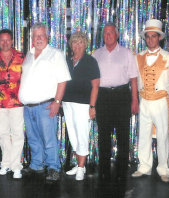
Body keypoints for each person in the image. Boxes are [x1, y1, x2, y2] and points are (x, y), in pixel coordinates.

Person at [131, 19, 169, 182]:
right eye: (148, 37)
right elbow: (136, 79)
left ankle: (163, 169)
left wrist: (166, 91)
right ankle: (144, 166)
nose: (150, 40)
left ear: (159, 38)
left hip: (160, 101)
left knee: (162, 136)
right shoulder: (138, 57)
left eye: (154, 36)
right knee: (144, 135)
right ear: (145, 38)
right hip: (144, 101)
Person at [19, 23, 71, 181]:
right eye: (36, 36)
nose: (39, 38)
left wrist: (57, 101)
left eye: (42, 35)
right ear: (32, 38)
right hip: (27, 107)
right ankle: (37, 164)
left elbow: (63, 80)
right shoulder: (28, 55)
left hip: (45, 105)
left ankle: (54, 167)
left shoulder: (55, 54)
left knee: (49, 139)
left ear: (47, 37)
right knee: (33, 138)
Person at [92, 22, 139, 179]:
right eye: (105, 33)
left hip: (122, 96)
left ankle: (121, 170)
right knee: (103, 135)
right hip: (102, 97)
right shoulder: (96, 54)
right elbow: (92, 81)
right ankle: (104, 169)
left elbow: (133, 79)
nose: (108, 35)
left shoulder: (126, 53)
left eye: (111, 32)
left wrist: (135, 100)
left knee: (123, 135)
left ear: (117, 35)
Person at [62, 31, 100, 181]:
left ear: (85, 45)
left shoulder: (91, 61)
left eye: (80, 42)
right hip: (67, 102)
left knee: (82, 135)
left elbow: (96, 86)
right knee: (73, 135)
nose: (77, 45)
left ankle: (81, 168)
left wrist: (92, 106)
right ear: (71, 45)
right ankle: (79, 166)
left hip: (83, 104)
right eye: (74, 42)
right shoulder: (67, 60)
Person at [0, 29, 25, 179]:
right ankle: (6, 163)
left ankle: (16, 166)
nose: (5, 42)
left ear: (12, 41)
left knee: (17, 134)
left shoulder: (21, 56)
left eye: (7, 40)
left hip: (17, 101)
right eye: (2, 40)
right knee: (3, 134)